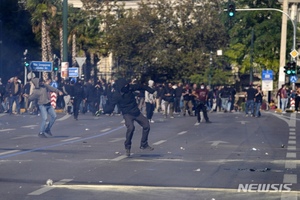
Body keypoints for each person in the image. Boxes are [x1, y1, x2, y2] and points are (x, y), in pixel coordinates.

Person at [104, 78, 155, 157]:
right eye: (125, 85)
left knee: (146, 125)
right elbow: (111, 105)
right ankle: (127, 146)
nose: (127, 86)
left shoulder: (130, 88)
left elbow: (140, 86)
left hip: (136, 112)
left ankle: (144, 144)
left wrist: (150, 90)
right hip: (127, 114)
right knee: (131, 128)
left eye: (127, 84)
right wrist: (106, 110)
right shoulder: (116, 95)